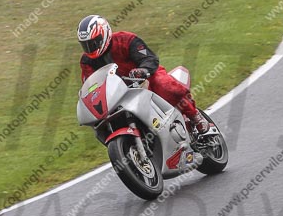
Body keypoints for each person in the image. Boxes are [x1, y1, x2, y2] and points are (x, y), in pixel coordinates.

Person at [77, 14, 210, 134]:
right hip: (118, 93)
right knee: (101, 123)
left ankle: (194, 116)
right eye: (86, 45)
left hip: (145, 79)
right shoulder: (86, 61)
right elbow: (90, 83)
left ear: (105, 33)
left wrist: (143, 70)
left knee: (163, 85)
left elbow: (149, 58)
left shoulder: (126, 39)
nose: (90, 48)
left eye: (94, 42)